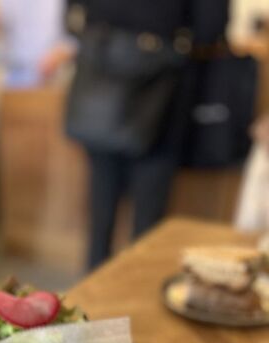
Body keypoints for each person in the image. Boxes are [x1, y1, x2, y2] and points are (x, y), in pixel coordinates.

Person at [45, 0, 230, 269]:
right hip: (160, 85)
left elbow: (72, 13)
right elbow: (210, 26)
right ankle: (136, 286)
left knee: (101, 202)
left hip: (101, 70)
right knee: (148, 213)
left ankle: (94, 287)